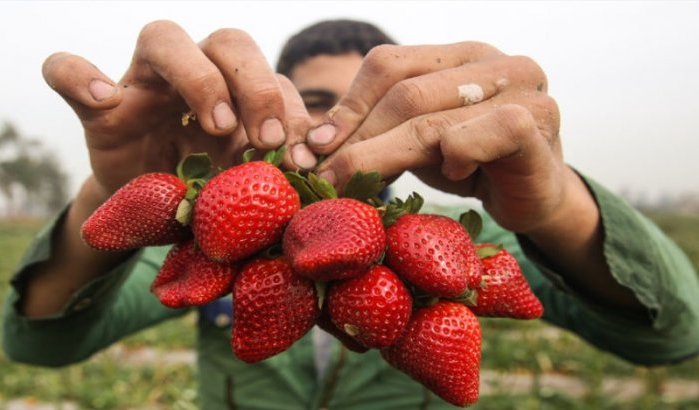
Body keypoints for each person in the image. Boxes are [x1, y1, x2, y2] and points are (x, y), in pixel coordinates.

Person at [3, 19, 699, 409]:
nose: (331, 126)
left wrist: (555, 211)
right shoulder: (222, 242)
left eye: (356, 105)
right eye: (308, 99)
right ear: (263, 105)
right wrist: (120, 194)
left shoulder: (454, 259)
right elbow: (39, 344)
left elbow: (671, 337)